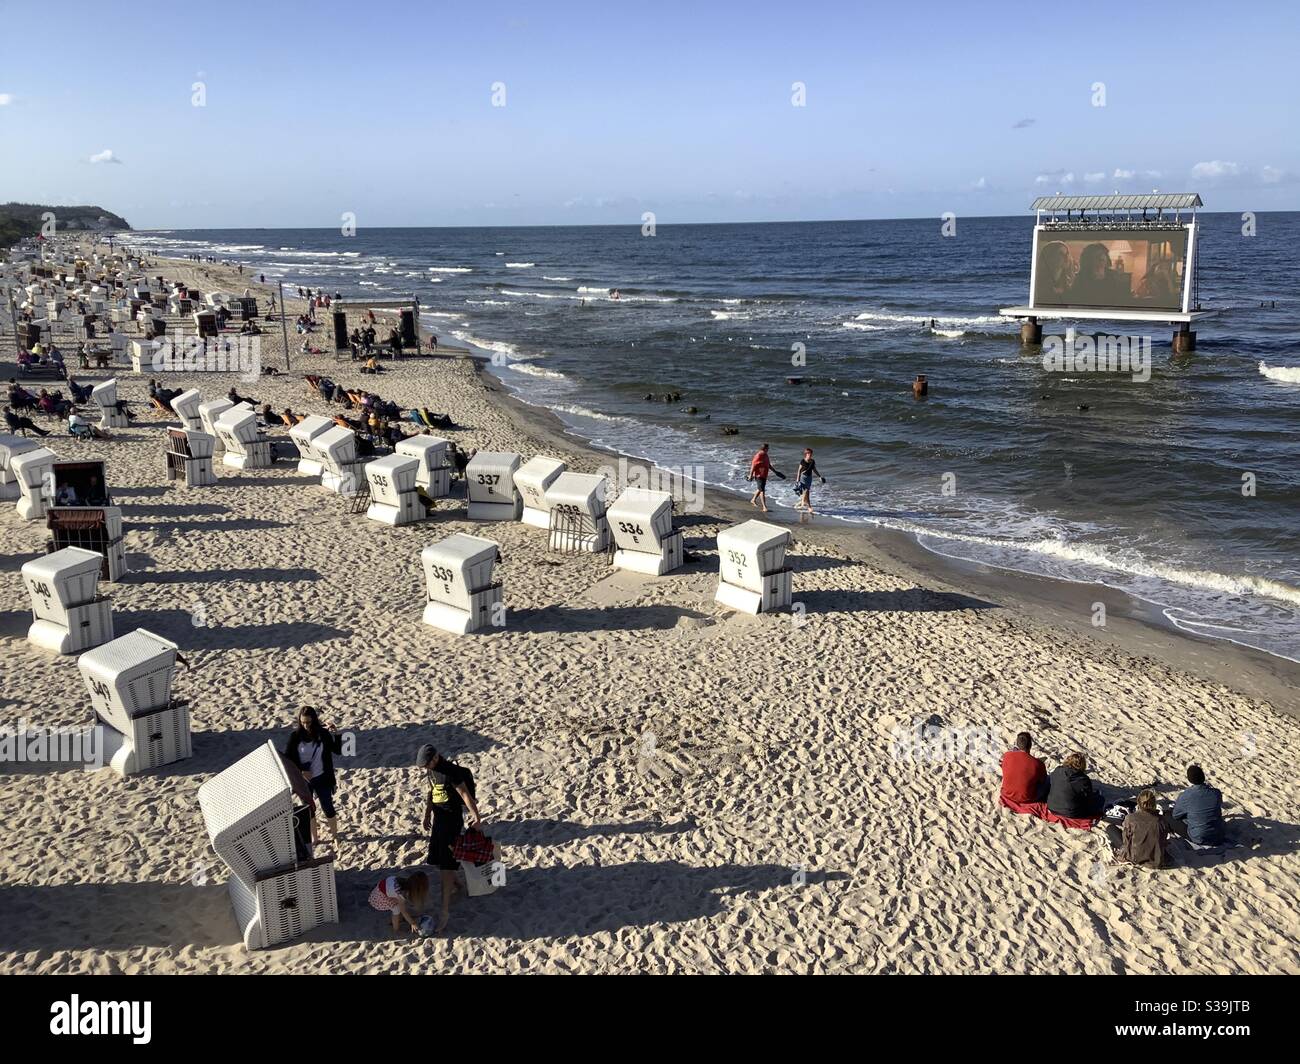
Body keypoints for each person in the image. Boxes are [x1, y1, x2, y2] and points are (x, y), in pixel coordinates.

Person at [417, 743, 482, 933]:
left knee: (446, 866)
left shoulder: (451, 772)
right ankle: (457, 884)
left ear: (435, 758)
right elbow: (431, 791)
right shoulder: (432, 771)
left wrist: (476, 816)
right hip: (438, 822)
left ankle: (445, 911)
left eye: (427, 764)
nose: (426, 768)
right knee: (438, 860)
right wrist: (427, 813)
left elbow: (465, 794)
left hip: (451, 824)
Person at [284, 708, 344, 848]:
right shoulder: (295, 737)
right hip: (304, 781)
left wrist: (337, 734)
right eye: (303, 722)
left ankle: (335, 835)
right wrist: (301, 771)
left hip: (322, 777)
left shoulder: (322, 734)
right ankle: (314, 837)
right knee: (309, 809)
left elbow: (337, 751)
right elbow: (288, 760)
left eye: (309, 722)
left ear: (314, 721)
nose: (306, 725)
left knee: (327, 807)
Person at [1170, 764, 1226, 846]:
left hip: (1199, 837)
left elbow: (1175, 815)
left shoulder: (1186, 795)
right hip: (1218, 835)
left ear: (1189, 779)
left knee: (1168, 817)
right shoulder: (1216, 793)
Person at [1117, 790, 1169, 869]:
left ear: (1138, 803)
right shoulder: (1161, 820)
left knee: (1111, 829)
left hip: (1134, 857)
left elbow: (1126, 840)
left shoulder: (1131, 818)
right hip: (1156, 859)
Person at [1045, 751, 1105, 820]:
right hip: (1071, 812)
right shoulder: (1083, 779)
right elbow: (1088, 798)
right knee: (1100, 799)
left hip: (1052, 807)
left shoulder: (1057, 770)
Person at [367, 870, 431, 935]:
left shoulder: (402, 881)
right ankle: (396, 929)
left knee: (401, 904)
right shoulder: (401, 893)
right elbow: (403, 911)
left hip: (380, 890)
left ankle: (401, 919)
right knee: (396, 909)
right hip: (378, 899)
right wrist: (413, 923)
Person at [1000, 731, 1049, 803]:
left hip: (1007, 794)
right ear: (1030, 745)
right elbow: (1042, 780)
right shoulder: (1038, 764)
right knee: (1048, 780)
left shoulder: (1007, 756)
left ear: (1017, 744)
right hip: (1027, 798)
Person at [748, 443, 783, 513]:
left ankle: (753, 499)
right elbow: (753, 466)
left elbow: (768, 465)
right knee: (762, 491)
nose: (768, 449)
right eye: (768, 448)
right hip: (759, 475)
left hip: (764, 475)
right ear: (764, 449)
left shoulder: (765, 455)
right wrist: (750, 475)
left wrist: (775, 472)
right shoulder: (758, 455)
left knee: (760, 488)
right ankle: (764, 507)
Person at [793, 447, 825, 514]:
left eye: (811, 453)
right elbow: (799, 471)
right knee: (806, 491)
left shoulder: (812, 461)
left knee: (806, 491)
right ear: (806, 454)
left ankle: (802, 503)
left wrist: (819, 476)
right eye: (808, 453)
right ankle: (809, 507)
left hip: (809, 478)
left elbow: (814, 470)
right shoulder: (803, 461)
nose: (810, 455)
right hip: (803, 477)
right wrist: (797, 480)